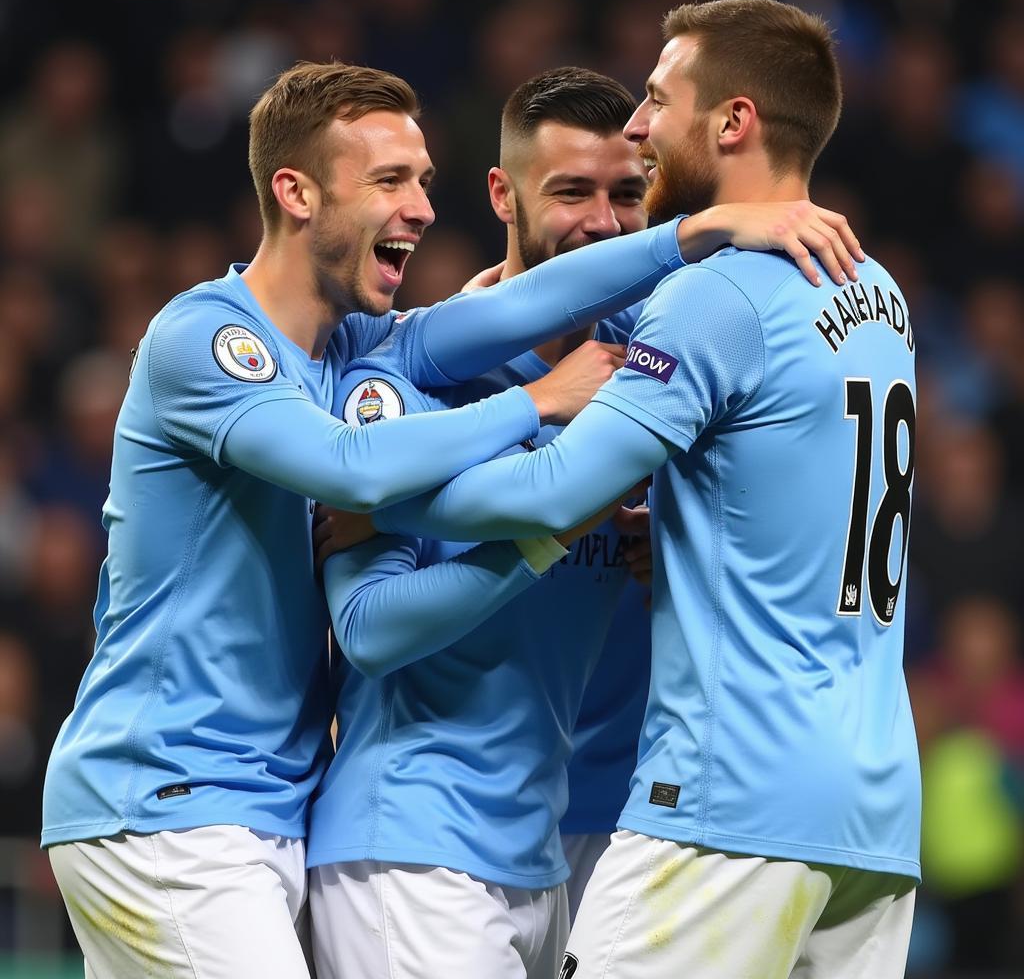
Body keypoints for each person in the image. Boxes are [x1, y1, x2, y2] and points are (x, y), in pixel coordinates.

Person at [39, 60, 816, 979]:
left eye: (422, 181)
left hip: (271, 805)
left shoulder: (352, 343)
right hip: (168, 793)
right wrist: (541, 409)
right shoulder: (205, 340)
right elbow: (348, 470)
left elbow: (516, 305)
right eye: (388, 181)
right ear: (295, 192)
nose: (420, 207)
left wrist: (693, 234)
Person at [363, 0, 920, 979]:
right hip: (873, 815)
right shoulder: (876, 293)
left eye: (658, 99)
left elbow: (548, 495)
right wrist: (666, 521)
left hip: (730, 795)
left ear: (732, 122)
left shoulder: (709, 295)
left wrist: (385, 494)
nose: (638, 125)